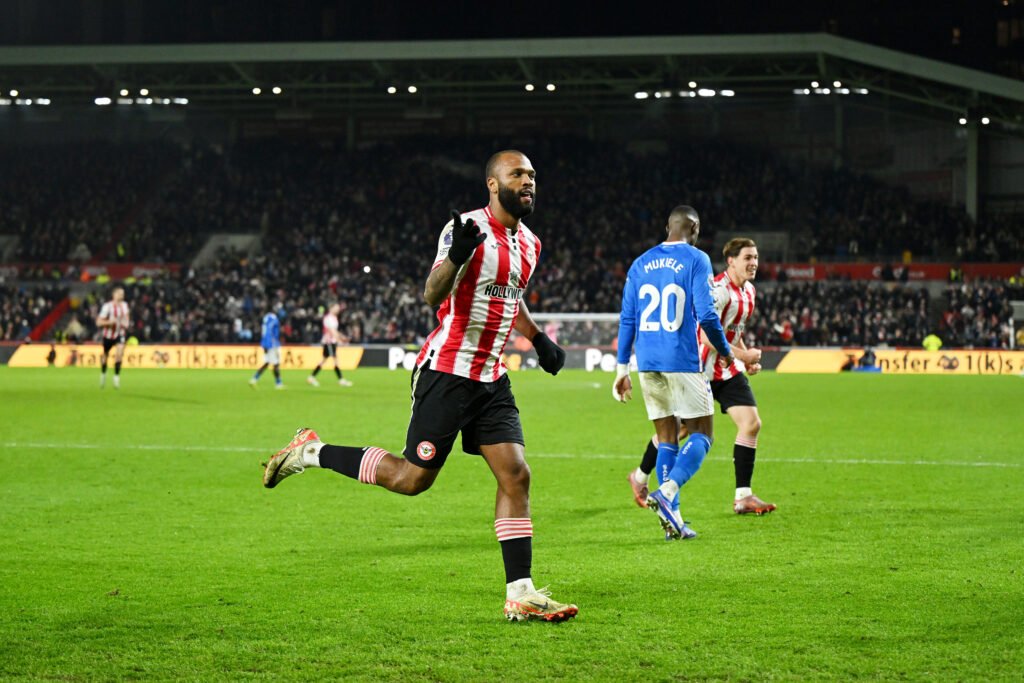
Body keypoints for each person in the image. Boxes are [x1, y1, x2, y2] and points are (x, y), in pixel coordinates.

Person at [261, 150, 577, 622]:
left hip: (492, 378)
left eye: (532, 174)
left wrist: (537, 338)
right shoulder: (465, 229)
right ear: (493, 184)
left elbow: (511, 297)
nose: (528, 181)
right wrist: (457, 255)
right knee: (411, 480)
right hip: (447, 372)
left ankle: (521, 592)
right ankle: (310, 451)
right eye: (517, 174)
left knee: (516, 475)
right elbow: (433, 292)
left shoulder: (530, 243)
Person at [627, 238, 776, 517]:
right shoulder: (717, 290)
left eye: (756, 257)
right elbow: (707, 336)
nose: (754, 263)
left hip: (727, 371)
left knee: (751, 424)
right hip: (698, 371)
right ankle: (640, 476)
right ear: (731, 261)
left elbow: (732, 333)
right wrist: (743, 356)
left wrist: (744, 360)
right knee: (678, 431)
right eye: (747, 258)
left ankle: (743, 496)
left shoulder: (749, 292)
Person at [613, 205, 734, 540]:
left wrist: (622, 368)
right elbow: (707, 315)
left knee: (667, 437)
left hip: (647, 362)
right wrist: (725, 351)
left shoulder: (640, 263)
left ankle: (674, 521)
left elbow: (628, 318)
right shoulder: (697, 259)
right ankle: (667, 492)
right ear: (694, 228)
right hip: (680, 359)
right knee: (703, 434)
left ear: (668, 227)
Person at [307, 303, 352, 387]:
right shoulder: (328, 318)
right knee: (335, 360)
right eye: (336, 308)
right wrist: (339, 340)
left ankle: (311, 377)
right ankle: (341, 380)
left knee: (323, 360)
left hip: (331, 341)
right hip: (329, 342)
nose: (338, 310)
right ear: (331, 308)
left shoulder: (333, 318)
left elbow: (335, 330)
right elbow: (331, 331)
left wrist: (342, 337)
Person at [96, 286, 130, 388]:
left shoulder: (124, 305)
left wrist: (126, 323)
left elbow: (127, 317)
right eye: (120, 293)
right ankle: (103, 373)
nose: (122, 295)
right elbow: (99, 322)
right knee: (105, 355)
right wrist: (111, 322)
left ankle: (116, 377)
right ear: (114, 295)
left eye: (123, 294)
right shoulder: (107, 306)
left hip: (120, 334)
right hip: (108, 335)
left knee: (119, 354)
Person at [250, 304, 284, 389]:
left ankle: (254, 379)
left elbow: (265, 331)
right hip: (272, 343)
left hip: (265, 342)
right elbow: (270, 331)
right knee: (276, 363)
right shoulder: (274, 319)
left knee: (267, 362)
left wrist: (264, 343)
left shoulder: (266, 317)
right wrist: (269, 343)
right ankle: (278, 384)